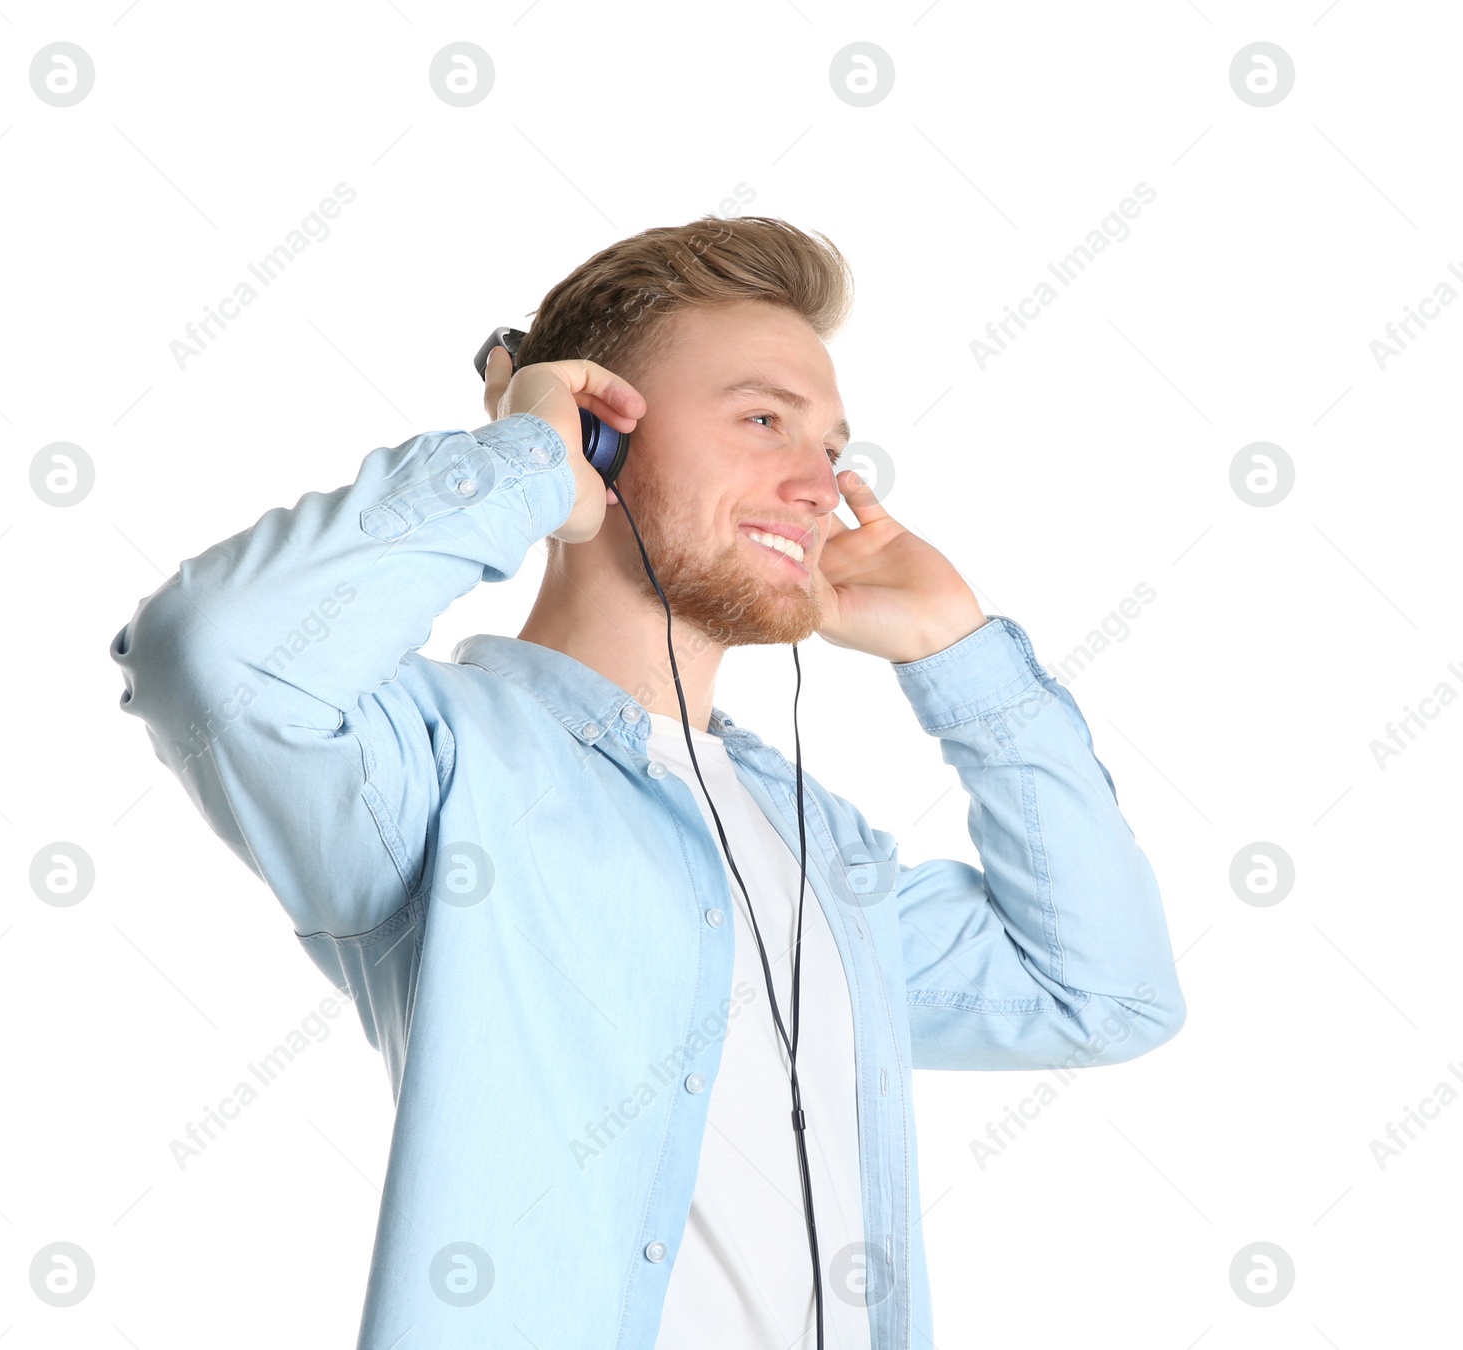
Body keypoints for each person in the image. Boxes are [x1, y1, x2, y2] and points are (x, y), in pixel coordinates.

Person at [110, 214, 1186, 1350]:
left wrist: (959, 655)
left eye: (830, 445)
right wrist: (522, 467)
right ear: (604, 438)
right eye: (764, 420)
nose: (820, 485)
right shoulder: (434, 765)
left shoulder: (821, 844)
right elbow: (215, 656)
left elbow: (1104, 995)